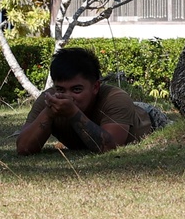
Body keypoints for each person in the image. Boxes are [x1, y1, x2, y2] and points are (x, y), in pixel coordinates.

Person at [16, 47, 169, 155]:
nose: (67, 97)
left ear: (95, 87)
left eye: (76, 90)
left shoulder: (115, 98)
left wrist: (72, 113)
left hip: (149, 119)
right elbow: (23, 148)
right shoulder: (48, 99)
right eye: (61, 90)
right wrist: (48, 114)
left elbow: (111, 147)